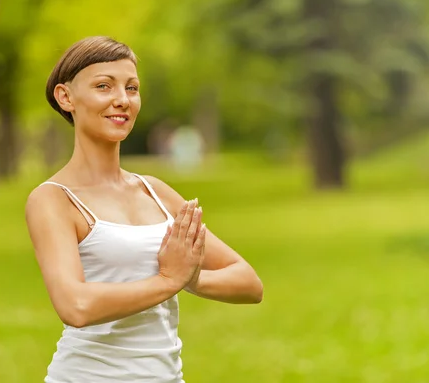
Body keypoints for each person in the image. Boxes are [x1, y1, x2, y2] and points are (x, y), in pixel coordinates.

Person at [25, 36, 263, 383]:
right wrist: (168, 280)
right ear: (66, 97)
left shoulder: (156, 192)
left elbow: (248, 282)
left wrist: (193, 278)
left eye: (131, 88)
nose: (122, 100)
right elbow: (75, 305)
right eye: (104, 86)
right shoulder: (54, 199)